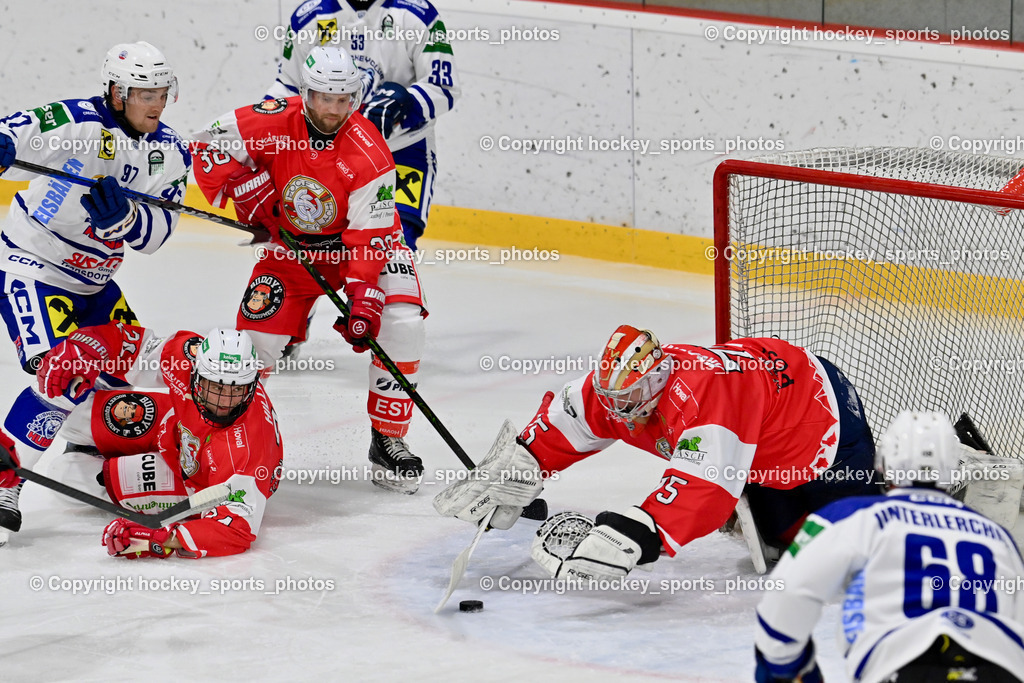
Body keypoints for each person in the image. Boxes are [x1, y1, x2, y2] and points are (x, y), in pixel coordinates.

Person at [434, 325, 881, 579]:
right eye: (611, 397)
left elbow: (705, 487)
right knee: (773, 538)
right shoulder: (623, 388)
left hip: (823, 425)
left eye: (626, 399)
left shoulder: (704, 398)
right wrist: (523, 463)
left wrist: (642, 533)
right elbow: (571, 419)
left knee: (845, 551)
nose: (617, 409)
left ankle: (901, 483)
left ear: (657, 379)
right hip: (762, 424)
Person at [191, 45, 427, 494]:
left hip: (362, 248)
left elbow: (370, 236)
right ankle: (232, 442)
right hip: (291, 250)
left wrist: (364, 298)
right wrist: (247, 190)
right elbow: (206, 144)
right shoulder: (272, 120)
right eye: (324, 98)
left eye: (343, 100)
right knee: (250, 348)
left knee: (402, 324)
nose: (333, 110)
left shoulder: (369, 152)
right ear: (306, 93)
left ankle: (388, 439)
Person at [0, 41, 190, 540]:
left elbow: (157, 235)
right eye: (145, 93)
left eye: (162, 92)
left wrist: (126, 219)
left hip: (96, 281)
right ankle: (2, 479)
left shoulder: (170, 152)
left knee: (120, 387)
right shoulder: (75, 121)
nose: (157, 103)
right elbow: (18, 131)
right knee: (63, 372)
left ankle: (83, 457)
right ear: (116, 92)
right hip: (34, 265)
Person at [753, 411, 1024, 683]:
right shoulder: (998, 536)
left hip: (905, 668)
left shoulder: (851, 516)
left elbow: (790, 592)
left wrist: (787, 667)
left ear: (883, 464)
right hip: (1003, 670)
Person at [23, 320, 284, 558]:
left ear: (251, 384)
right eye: (216, 387)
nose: (224, 402)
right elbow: (134, 347)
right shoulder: (187, 356)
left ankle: (116, 464)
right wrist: (90, 345)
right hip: (178, 425)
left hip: (200, 478)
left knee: (64, 474)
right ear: (195, 372)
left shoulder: (247, 455)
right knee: (74, 414)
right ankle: (116, 450)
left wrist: (163, 539)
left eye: (236, 390)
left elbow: (236, 530)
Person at [268, 0, 460, 250]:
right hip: (327, 154)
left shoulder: (417, 14)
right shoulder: (310, 16)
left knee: (393, 253)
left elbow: (443, 86)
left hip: (401, 151)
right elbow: (288, 87)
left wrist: (405, 103)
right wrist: (252, 141)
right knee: (322, 252)